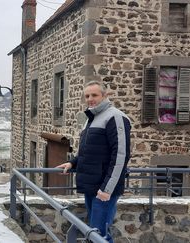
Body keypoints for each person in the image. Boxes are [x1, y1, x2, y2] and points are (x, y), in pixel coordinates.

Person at [57, 81, 131, 243]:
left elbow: (120, 156)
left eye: (94, 95)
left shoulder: (115, 117)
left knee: (99, 235)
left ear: (105, 96)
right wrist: (73, 163)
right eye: (87, 96)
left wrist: (107, 189)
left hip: (103, 189)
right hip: (92, 186)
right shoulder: (91, 118)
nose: (90, 99)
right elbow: (89, 151)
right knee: (94, 232)